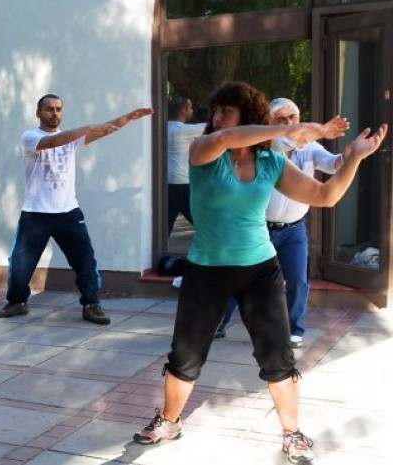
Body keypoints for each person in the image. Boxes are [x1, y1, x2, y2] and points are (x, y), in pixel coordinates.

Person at [131, 81, 385, 465]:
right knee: (185, 357)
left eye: (225, 111)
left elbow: (325, 196)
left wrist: (353, 159)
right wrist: (293, 129)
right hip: (205, 270)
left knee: (277, 358)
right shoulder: (204, 152)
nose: (216, 119)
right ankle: (169, 420)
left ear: (248, 115)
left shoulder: (271, 163)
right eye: (214, 112)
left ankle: (292, 434)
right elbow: (230, 138)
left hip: (259, 270)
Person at [0, 95, 153, 324]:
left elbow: (104, 130)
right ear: (38, 113)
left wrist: (127, 118)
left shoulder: (72, 138)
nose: (55, 114)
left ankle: (91, 304)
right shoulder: (30, 137)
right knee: (21, 263)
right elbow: (53, 142)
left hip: (68, 212)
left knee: (85, 260)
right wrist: (88, 127)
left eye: (59, 109)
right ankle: (17, 302)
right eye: (49, 109)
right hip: (36, 213)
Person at [215, 98, 342, 346]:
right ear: (270, 123)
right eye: (280, 120)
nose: (287, 123)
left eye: (292, 118)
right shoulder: (264, 146)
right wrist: (313, 131)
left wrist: (348, 157)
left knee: (297, 279)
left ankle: (294, 329)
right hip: (259, 228)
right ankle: (218, 322)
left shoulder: (310, 147)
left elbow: (331, 164)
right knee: (238, 275)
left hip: (294, 229)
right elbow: (283, 142)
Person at [166, 96, 204, 236]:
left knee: (165, 229)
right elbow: (211, 127)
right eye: (190, 107)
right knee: (204, 224)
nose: (192, 110)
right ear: (183, 110)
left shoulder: (163, 128)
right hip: (182, 184)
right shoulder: (182, 131)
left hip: (167, 185)